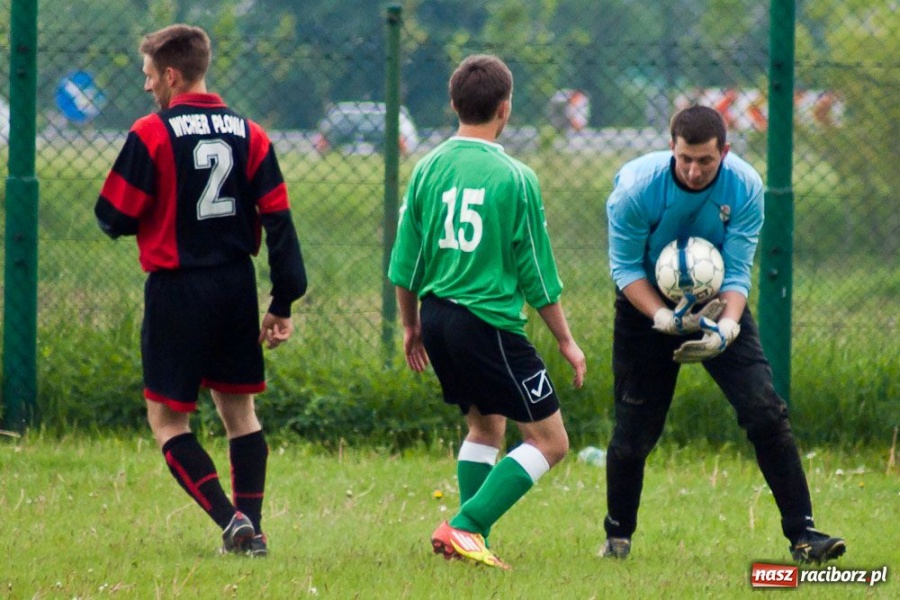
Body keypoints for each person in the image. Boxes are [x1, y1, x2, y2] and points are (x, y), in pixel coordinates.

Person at [94, 24, 307, 557]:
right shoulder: (251, 133)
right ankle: (252, 533)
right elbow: (279, 222)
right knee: (240, 414)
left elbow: (112, 216)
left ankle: (230, 519)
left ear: (170, 74)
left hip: (177, 290)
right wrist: (282, 301)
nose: (147, 88)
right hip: (237, 286)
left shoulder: (150, 133)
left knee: (167, 420)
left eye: (149, 76)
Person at [601, 105, 845, 563]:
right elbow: (625, 269)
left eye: (705, 161)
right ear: (671, 148)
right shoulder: (634, 191)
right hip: (645, 308)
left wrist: (727, 327)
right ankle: (618, 535)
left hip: (718, 303)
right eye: (684, 159)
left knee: (766, 412)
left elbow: (736, 272)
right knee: (634, 431)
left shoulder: (746, 186)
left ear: (725, 153)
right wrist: (663, 319)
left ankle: (805, 536)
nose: (693, 171)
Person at [388, 54, 586, 570]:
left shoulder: (428, 167)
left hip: (437, 317)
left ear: (455, 104)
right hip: (487, 324)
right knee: (550, 440)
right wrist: (566, 340)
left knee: (485, 429)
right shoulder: (516, 177)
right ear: (506, 109)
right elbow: (536, 274)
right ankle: (465, 526)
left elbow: (404, 264)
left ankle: (470, 545)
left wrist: (411, 326)